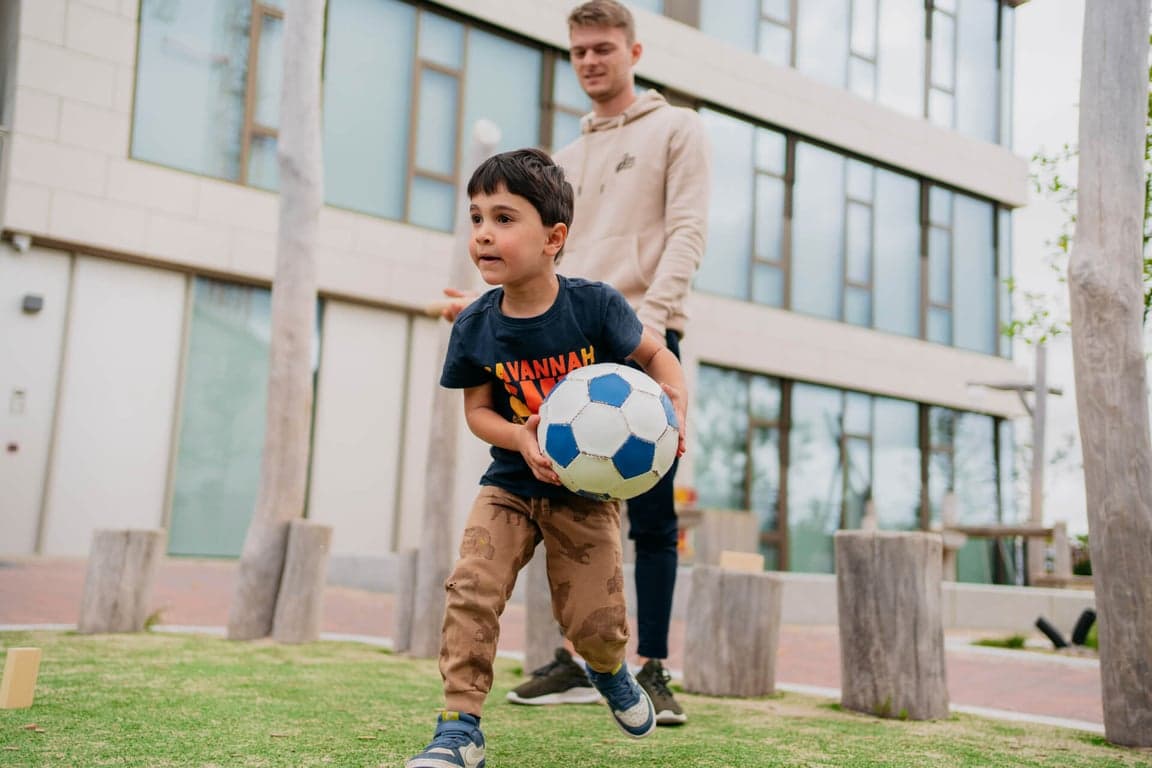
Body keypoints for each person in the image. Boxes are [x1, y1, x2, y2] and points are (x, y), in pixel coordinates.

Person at [406, 148, 689, 768]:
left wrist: (675, 406)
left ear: (553, 237)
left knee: (595, 623)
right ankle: (459, 729)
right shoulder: (475, 325)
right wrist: (522, 440)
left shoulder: (594, 306)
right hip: (509, 482)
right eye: (476, 217)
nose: (483, 232)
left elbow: (657, 358)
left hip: (586, 494)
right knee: (471, 588)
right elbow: (479, 414)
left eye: (504, 218)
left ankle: (610, 671)